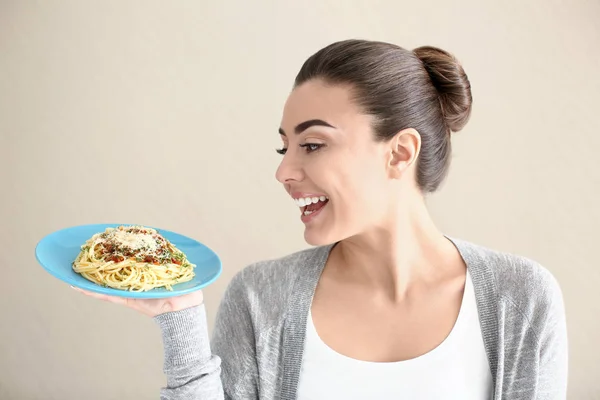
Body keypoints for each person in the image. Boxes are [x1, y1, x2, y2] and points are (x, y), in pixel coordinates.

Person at [76, 39, 568, 399]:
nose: (284, 170)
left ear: (399, 153)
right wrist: (179, 318)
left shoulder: (519, 298)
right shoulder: (260, 298)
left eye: (312, 144)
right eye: (284, 146)